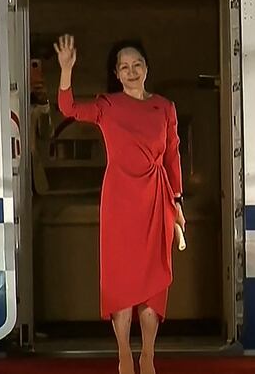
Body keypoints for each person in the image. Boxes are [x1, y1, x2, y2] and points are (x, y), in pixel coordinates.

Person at [54, 34, 186, 374]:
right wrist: (66, 70)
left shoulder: (165, 107)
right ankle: (124, 352)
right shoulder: (107, 106)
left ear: (146, 68)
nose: (131, 71)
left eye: (137, 64)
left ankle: (149, 354)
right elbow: (68, 108)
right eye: (124, 67)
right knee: (121, 280)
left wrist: (177, 203)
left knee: (154, 280)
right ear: (116, 73)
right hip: (119, 201)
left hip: (156, 199)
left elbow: (173, 157)